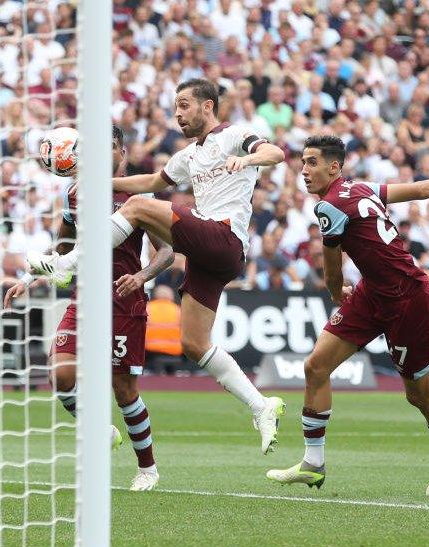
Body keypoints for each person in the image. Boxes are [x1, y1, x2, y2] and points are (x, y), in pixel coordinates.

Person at [27, 79, 287, 454]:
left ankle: (68, 264)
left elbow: (275, 153)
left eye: (184, 105)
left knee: (135, 206)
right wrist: (98, 180)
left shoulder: (233, 135)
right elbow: (151, 180)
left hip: (224, 236)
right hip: (207, 256)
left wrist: (247, 159)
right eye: (175, 106)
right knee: (194, 344)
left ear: (208, 107)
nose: (178, 114)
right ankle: (261, 406)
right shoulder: (186, 157)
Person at [267, 135, 429, 496]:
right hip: (373, 293)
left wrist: (336, 293)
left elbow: (333, 270)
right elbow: (421, 190)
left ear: (334, 167)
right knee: (315, 366)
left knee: (418, 395)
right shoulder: (361, 188)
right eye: (302, 162)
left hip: (407, 301)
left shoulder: (331, 206)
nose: (304, 171)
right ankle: (313, 464)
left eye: (312, 163)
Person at [4, 126, 174, 491]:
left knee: (123, 389)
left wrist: (141, 276)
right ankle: (99, 429)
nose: (105, 154)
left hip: (123, 299)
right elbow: (62, 249)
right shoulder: (75, 193)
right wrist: (29, 277)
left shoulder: (140, 194)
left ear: (123, 153)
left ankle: (148, 469)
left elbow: (166, 252)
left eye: (112, 147)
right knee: (61, 376)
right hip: (84, 297)